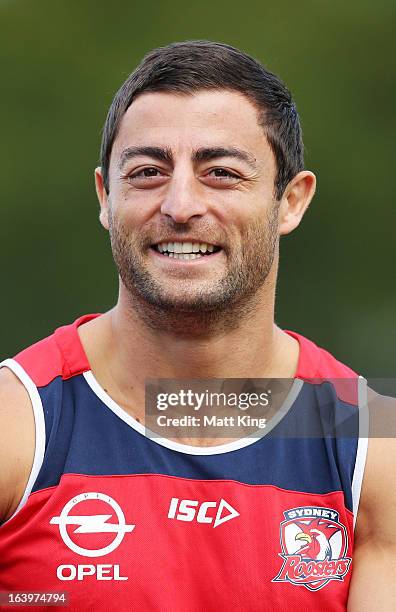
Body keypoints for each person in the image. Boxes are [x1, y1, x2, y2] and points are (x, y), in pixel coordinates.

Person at [0, 40, 394, 611]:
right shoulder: (17, 428)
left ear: (291, 202)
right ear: (105, 198)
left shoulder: (372, 454)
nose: (180, 204)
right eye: (148, 172)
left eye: (221, 173)